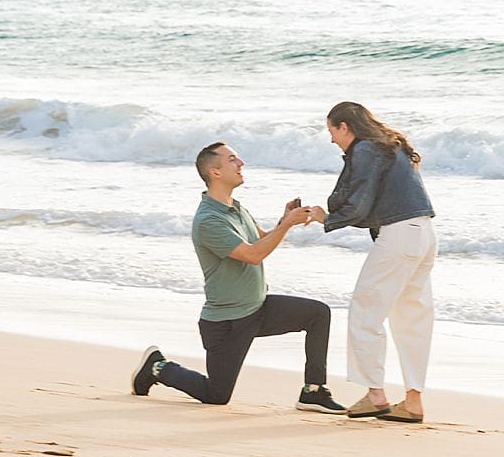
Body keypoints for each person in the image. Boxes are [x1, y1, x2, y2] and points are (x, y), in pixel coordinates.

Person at [131, 140, 345, 411]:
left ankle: (313, 391)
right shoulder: (209, 220)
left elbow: (259, 240)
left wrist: (284, 220)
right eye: (232, 159)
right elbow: (253, 255)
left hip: (258, 308)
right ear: (215, 172)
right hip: (227, 322)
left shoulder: (235, 207)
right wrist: (287, 225)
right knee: (216, 394)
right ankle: (158, 367)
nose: (241, 163)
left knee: (318, 314)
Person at [308, 101, 436, 424]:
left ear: (345, 127)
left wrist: (327, 218)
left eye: (332, 131)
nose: (332, 139)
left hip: (399, 236)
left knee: (365, 311)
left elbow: (358, 203)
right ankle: (413, 401)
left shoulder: (365, 149)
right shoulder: (391, 146)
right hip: (424, 233)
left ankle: (376, 395)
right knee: (412, 318)